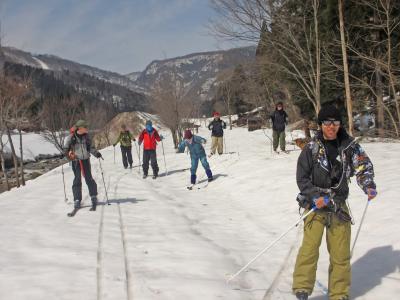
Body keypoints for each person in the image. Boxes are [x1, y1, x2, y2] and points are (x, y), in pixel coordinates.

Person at [292, 105, 377, 300]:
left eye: (335, 122)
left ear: (340, 124)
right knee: (309, 249)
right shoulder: (311, 148)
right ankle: (302, 288)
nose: (331, 126)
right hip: (315, 205)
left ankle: (338, 294)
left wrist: (368, 184)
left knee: (341, 254)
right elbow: (302, 178)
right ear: (320, 125)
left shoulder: (349, 146)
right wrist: (315, 195)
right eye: (327, 122)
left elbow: (363, 165)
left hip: (338, 206)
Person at [63, 120, 103, 211]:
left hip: (85, 160)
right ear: (80, 128)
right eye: (85, 127)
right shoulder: (71, 138)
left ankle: (93, 196)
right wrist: (64, 154)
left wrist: (96, 153)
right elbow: (66, 148)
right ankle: (77, 199)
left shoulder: (87, 137)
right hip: (76, 161)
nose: (87, 128)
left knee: (89, 178)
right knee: (77, 179)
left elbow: (91, 148)